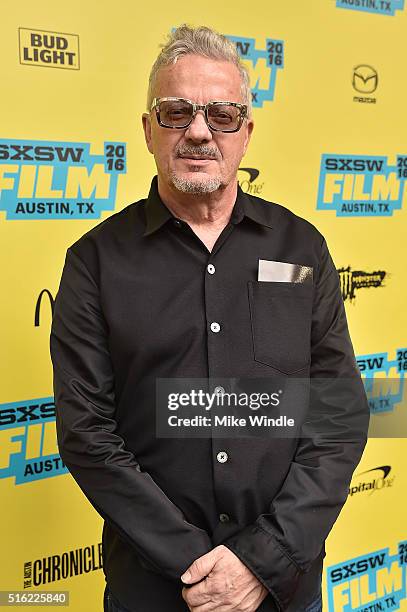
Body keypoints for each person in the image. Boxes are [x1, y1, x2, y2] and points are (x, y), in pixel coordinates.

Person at [50, 25, 369, 612]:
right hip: (155, 590)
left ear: (246, 133)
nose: (199, 131)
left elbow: (339, 416)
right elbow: (88, 435)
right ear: (148, 130)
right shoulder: (94, 262)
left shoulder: (303, 249)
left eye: (221, 114)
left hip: (283, 590)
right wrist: (197, 569)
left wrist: (261, 560)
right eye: (176, 112)